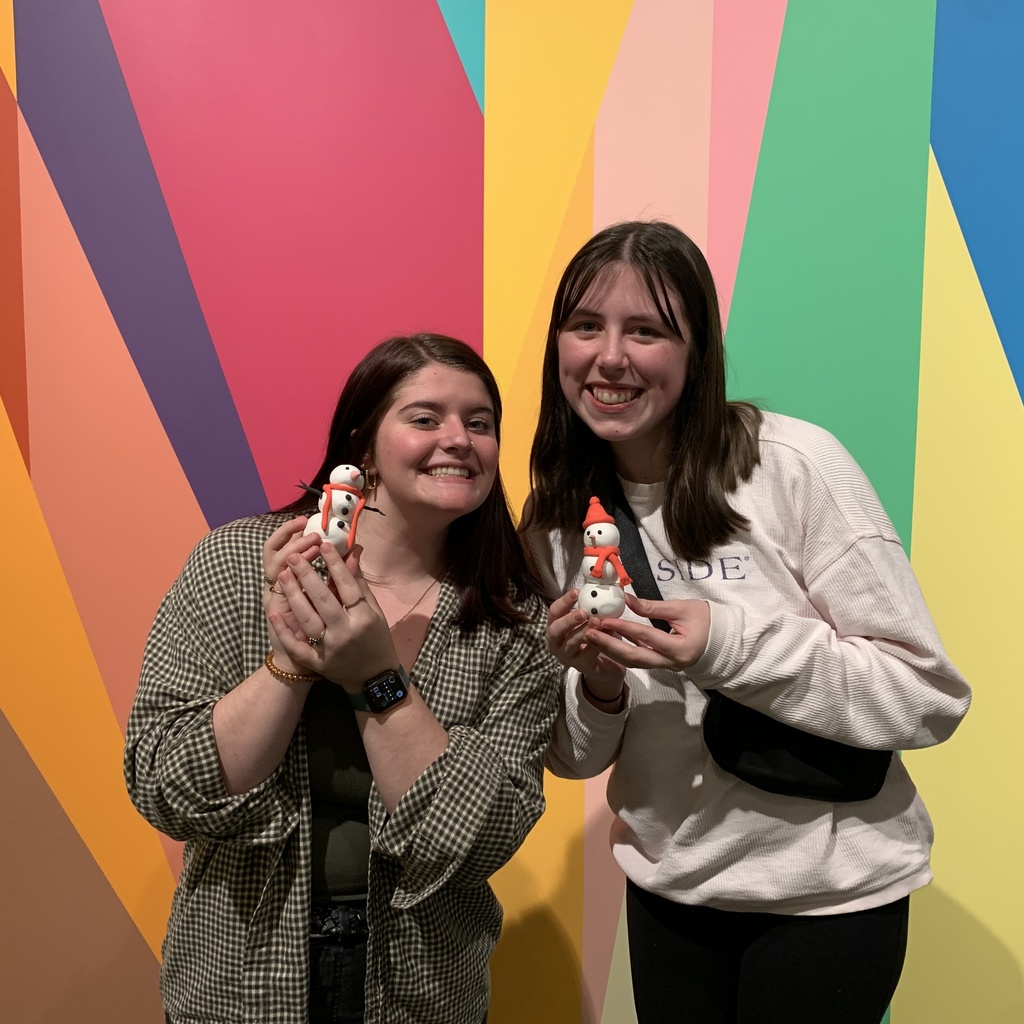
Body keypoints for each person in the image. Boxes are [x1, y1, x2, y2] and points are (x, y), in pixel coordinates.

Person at [522, 221, 971, 1024]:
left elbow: (925, 695)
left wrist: (726, 645)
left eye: (647, 330)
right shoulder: (556, 523)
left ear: (697, 352)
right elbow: (574, 760)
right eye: (586, 324)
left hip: (831, 901)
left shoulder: (791, 466)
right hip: (672, 891)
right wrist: (597, 686)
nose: (609, 356)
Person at [124, 334, 560, 1024]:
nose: (459, 439)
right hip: (239, 981)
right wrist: (292, 658)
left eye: (480, 423)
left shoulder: (515, 623)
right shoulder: (238, 563)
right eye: (425, 419)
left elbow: (474, 839)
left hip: (422, 991)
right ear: (363, 445)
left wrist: (375, 676)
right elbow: (166, 784)